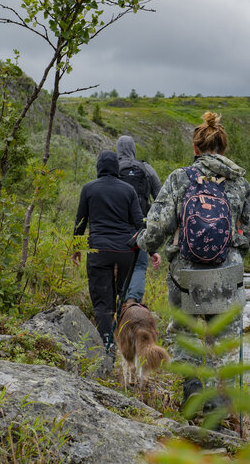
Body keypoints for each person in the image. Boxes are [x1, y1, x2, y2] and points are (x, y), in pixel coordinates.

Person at [137, 111, 250, 405]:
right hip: (228, 273)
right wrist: (239, 242)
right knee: (224, 341)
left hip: (185, 273)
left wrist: (141, 242)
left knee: (186, 332)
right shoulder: (238, 183)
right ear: (224, 149)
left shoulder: (178, 179)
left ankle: (193, 388)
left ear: (195, 149)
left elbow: (156, 228)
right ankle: (221, 404)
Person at [73, 150, 160, 355]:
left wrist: (76, 248)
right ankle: (126, 343)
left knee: (103, 303)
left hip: (99, 250)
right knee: (123, 299)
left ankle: (107, 346)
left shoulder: (89, 189)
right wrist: (152, 250)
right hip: (125, 252)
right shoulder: (128, 190)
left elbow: (80, 221)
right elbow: (140, 223)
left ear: (99, 167)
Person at [116, 135, 162, 303]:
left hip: (115, 230)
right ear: (134, 149)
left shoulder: (112, 168)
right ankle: (132, 302)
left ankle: (117, 306)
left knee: (116, 268)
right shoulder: (146, 169)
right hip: (139, 229)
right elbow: (160, 197)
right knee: (140, 266)